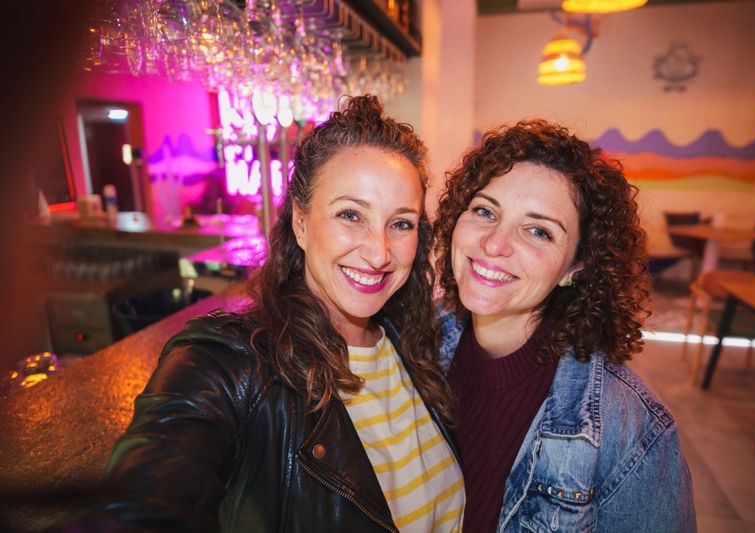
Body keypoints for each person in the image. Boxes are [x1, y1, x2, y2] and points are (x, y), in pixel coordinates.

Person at [73, 95, 465, 532]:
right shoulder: (232, 360)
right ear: (300, 221)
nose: (378, 252)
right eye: (350, 214)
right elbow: (144, 499)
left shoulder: (413, 343)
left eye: (401, 223)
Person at [432, 119, 696, 532]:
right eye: (485, 211)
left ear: (576, 266)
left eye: (538, 231)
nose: (495, 244)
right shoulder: (416, 341)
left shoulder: (631, 428)